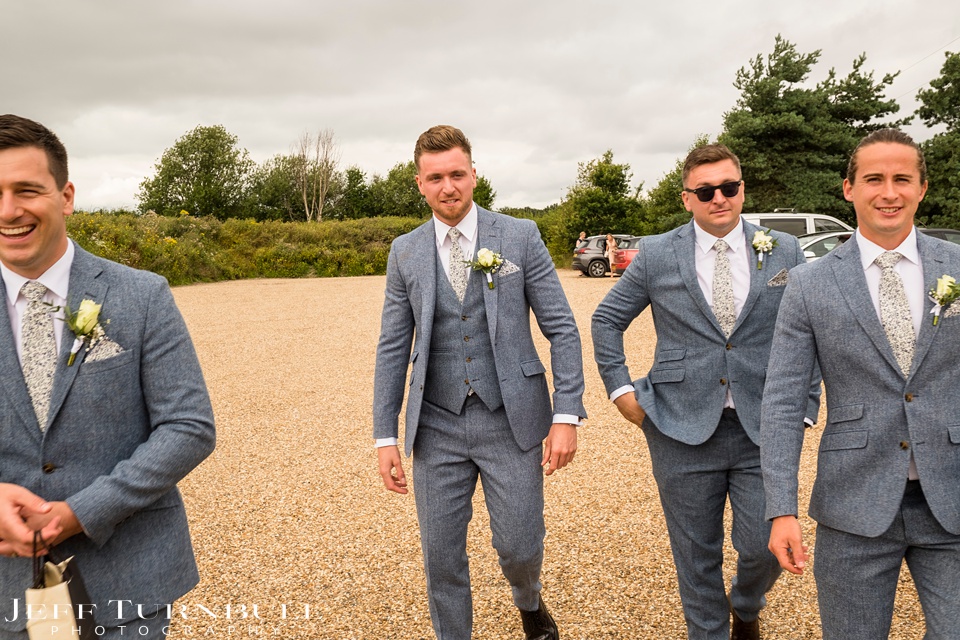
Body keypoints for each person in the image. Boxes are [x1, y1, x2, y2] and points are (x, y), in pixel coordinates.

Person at [0, 114, 216, 639]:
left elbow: (188, 426)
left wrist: (84, 510)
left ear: (66, 195)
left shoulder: (142, 295)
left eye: (26, 190)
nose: (8, 211)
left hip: (127, 577)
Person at [592, 143, 819, 640]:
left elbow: (809, 330)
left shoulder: (781, 250)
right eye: (707, 190)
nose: (720, 198)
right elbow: (606, 319)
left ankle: (746, 602)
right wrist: (622, 392)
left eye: (730, 187)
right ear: (687, 198)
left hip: (765, 426)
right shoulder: (656, 253)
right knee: (696, 556)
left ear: (741, 189)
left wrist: (804, 406)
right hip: (677, 424)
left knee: (764, 544)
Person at [374, 125, 586, 640]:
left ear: (474, 174)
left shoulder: (519, 236)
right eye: (436, 177)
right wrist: (385, 435)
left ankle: (528, 599)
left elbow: (561, 326)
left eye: (457, 174)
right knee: (441, 557)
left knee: (519, 545)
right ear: (420, 184)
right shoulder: (404, 251)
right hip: (436, 425)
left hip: (510, 420)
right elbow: (392, 345)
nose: (449, 186)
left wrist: (566, 414)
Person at [762, 128, 960, 639]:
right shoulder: (809, 283)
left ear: (922, 187)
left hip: (954, 497)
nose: (888, 192)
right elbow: (783, 400)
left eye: (902, 179)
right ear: (849, 188)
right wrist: (781, 508)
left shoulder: (958, 269)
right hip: (853, 506)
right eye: (874, 179)